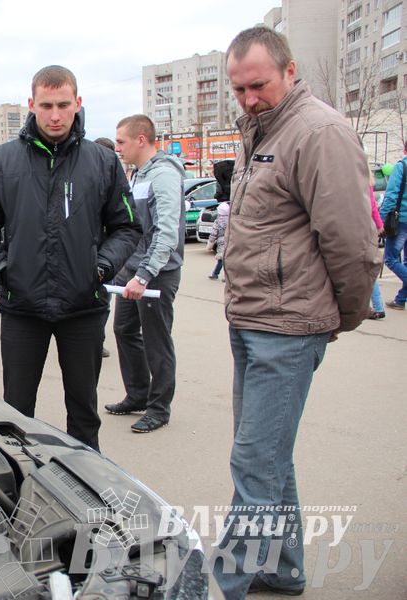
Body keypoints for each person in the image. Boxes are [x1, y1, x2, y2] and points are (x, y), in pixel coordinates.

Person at [213, 27, 379, 599]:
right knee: (267, 459)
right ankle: (282, 570)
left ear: (288, 71)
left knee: (255, 468)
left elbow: (355, 245)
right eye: (238, 90)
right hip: (253, 320)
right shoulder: (260, 128)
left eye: (257, 85)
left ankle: (219, 587)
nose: (248, 98)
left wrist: (342, 317)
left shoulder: (319, 132)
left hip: (288, 328)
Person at [0, 65, 141, 451]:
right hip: (21, 306)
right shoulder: (1, 160)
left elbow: (127, 226)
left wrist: (101, 267)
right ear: (31, 105)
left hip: (84, 305)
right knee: (15, 412)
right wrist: (2, 268)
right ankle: (18, 486)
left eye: (64, 104)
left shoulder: (103, 161)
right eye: (46, 105)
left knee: (83, 411)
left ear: (78, 104)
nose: (55, 115)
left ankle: (88, 489)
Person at [107, 115, 185, 433]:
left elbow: (166, 232)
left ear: (141, 140)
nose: (117, 147)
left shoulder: (163, 175)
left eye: (122, 141)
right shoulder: (138, 175)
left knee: (157, 340)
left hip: (157, 274)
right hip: (133, 270)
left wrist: (144, 275)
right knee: (124, 330)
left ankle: (159, 408)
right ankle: (137, 395)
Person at [94, 136, 116, 359]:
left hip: (106, 255)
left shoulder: (114, 181)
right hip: (88, 252)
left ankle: (96, 340)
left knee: (103, 300)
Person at [379, 142, 407, 311]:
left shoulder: (401, 166)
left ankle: (401, 299)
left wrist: (380, 222)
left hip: (401, 220)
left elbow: (390, 197)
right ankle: (400, 300)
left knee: (390, 258)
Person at [368, 186, 385, 319]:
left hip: (357, 231)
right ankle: (378, 307)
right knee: (368, 269)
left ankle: (374, 307)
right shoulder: (364, 180)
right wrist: (379, 225)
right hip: (368, 230)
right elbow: (373, 206)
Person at [207, 201, 229, 280]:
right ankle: (220, 274)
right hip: (231, 241)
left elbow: (213, 234)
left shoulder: (217, 221)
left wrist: (210, 243)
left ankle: (216, 274)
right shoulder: (231, 220)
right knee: (228, 259)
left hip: (221, 242)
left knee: (221, 259)